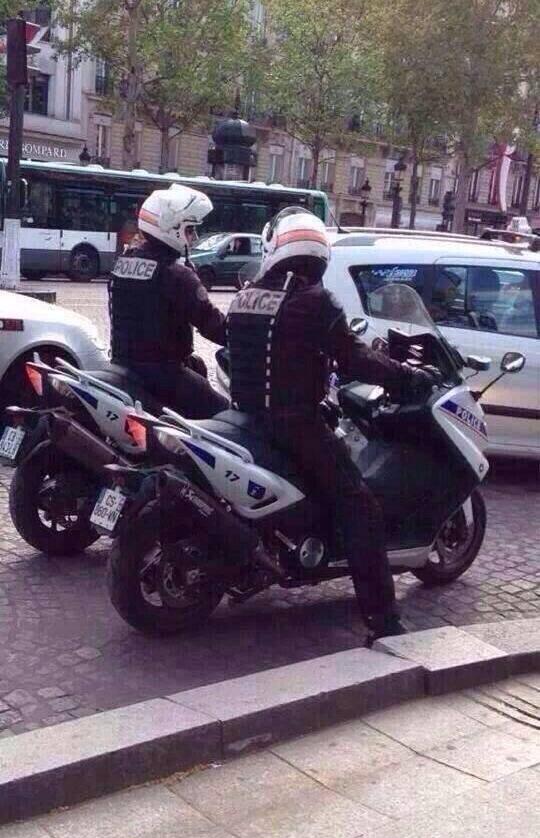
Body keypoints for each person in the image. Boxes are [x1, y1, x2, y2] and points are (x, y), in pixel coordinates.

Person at [226, 207, 438, 642]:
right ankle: (383, 619)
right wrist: (407, 376)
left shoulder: (246, 296)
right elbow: (354, 359)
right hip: (294, 423)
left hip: (243, 415)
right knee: (359, 505)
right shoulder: (314, 300)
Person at [109, 183, 228, 418]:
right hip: (162, 373)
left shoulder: (124, 262)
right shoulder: (176, 275)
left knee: (197, 366)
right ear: (171, 228)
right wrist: (243, 335)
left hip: (123, 363)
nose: (193, 238)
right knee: (223, 416)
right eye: (190, 230)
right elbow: (212, 324)